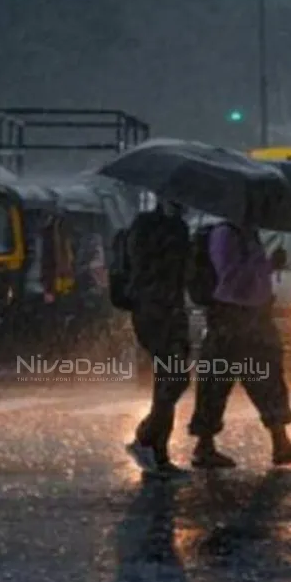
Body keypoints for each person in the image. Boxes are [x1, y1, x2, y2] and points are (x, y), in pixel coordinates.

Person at [187, 217, 291, 469]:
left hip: (255, 316)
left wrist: (270, 265)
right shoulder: (225, 234)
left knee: (268, 379)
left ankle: (281, 443)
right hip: (231, 317)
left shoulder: (249, 233)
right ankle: (204, 446)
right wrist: (262, 266)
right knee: (216, 382)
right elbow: (230, 277)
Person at [123, 200, 193, 478]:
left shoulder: (178, 228)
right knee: (174, 378)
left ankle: (158, 451)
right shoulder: (146, 226)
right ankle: (146, 439)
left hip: (171, 310)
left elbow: (183, 275)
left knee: (169, 379)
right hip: (153, 311)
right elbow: (146, 267)